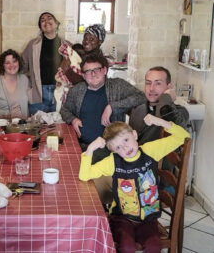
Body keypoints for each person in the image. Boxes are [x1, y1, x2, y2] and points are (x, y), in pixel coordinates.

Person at [79, 115, 190, 252]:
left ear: (135, 135)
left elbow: (183, 137)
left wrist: (160, 122)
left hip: (148, 218)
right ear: (113, 151)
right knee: (127, 247)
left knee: (154, 247)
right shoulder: (113, 161)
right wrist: (90, 149)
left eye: (126, 140)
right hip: (122, 218)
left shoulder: (150, 151)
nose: (125, 148)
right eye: (118, 147)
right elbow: (84, 176)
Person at [60, 53, 146, 154]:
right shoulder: (76, 90)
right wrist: (73, 119)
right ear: (83, 75)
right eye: (88, 71)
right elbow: (64, 110)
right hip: (82, 146)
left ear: (104, 70)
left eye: (97, 69)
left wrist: (112, 106)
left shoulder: (118, 86)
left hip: (112, 149)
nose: (93, 74)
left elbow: (141, 97)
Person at [129, 66, 189, 145]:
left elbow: (164, 115)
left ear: (169, 87)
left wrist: (166, 97)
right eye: (148, 83)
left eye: (158, 83)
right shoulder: (139, 109)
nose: (151, 88)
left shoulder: (181, 112)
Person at [22, 12, 65, 115]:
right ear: (40, 27)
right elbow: (21, 65)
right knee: (37, 127)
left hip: (59, 92)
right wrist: (2, 73)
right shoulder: (32, 45)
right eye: (42, 20)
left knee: (58, 128)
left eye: (49, 18)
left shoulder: (66, 45)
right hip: (38, 92)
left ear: (56, 23)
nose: (46, 21)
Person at [0, 49, 30, 118]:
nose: (12, 65)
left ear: (19, 62)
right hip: (1, 126)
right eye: (7, 63)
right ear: (3, 66)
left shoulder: (24, 79)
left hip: (23, 125)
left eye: (14, 61)